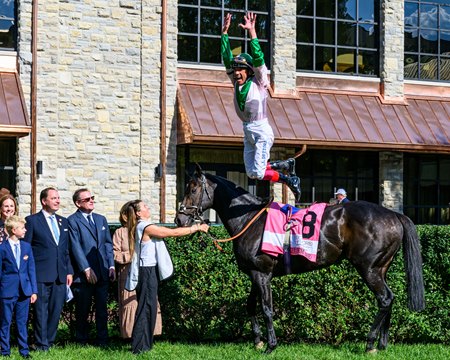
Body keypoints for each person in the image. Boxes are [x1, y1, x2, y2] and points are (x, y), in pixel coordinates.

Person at [221, 12, 301, 201]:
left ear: (248, 71)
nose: (237, 72)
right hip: (247, 130)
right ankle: (284, 166)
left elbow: (257, 57)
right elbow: (226, 59)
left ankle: (287, 177)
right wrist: (224, 33)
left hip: (261, 130)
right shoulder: (236, 82)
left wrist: (253, 32)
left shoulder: (259, 81)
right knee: (251, 173)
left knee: (258, 171)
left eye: (240, 69)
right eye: (236, 69)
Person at [124, 200, 209, 354]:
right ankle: (139, 348)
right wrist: (197, 228)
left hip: (149, 271)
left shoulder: (143, 225)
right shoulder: (145, 226)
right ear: (138, 213)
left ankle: (145, 345)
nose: (147, 207)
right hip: (146, 272)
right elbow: (172, 233)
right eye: (144, 206)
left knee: (149, 306)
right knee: (145, 308)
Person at [23, 187, 73, 352]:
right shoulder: (32, 221)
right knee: (41, 311)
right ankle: (41, 344)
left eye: (58, 198)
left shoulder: (63, 221)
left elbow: (66, 250)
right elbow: (26, 249)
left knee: (55, 310)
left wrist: (69, 271)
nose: (58, 200)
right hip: (41, 274)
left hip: (60, 274)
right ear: (44, 201)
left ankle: (49, 342)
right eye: (54, 198)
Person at [68, 188, 115, 347]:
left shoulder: (101, 219)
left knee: (102, 309)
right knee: (82, 310)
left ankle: (103, 340)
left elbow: (108, 244)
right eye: (87, 199)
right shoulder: (72, 221)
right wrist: (86, 269)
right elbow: (75, 247)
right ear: (77, 203)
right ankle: (81, 340)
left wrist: (111, 266)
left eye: (92, 198)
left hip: (102, 272)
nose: (91, 200)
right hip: (83, 275)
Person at [112, 201, 162, 339]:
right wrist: (130, 256)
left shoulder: (145, 228)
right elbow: (115, 253)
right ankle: (131, 335)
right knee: (131, 303)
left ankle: (150, 333)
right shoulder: (120, 232)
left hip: (145, 272)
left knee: (148, 301)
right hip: (127, 273)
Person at [0, 215, 37, 358]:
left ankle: (24, 351)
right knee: (5, 322)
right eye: (22, 228)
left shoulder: (27, 247)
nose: (25, 230)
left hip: (24, 291)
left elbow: (31, 270)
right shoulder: (2, 249)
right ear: (14, 230)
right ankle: (5, 351)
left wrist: (33, 290)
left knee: (22, 322)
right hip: (7, 291)